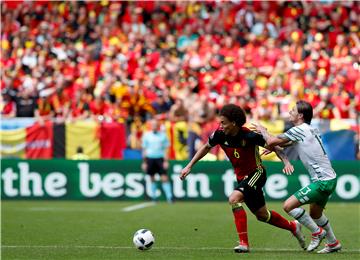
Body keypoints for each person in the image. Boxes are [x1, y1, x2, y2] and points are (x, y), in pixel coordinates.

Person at [180, 104, 305, 253]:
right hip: (241, 177)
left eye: (223, 122)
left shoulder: (249, 135)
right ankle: (293, 226)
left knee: (234, 198)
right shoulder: (219, 134)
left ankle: (243, 244)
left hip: (257, 173)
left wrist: (286, 161)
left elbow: (275, 146)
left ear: (233, 123)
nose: (221, 125)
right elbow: (206, 147)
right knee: (262, 215)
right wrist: (189, 166)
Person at [252, 100, 341, 253]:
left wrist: (263, 130)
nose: (289, 112)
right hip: (329, 178)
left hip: (322, 181)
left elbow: (272, 140)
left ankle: (317, 233)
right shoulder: (309, 129)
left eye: (292, 110)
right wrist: (275, 146)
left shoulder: (299, 129)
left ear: (300, 115)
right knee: (315, 214)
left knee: (288, 206)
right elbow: (292, 142)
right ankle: (333, 243)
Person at [142, 118, 173, 203]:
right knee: (152, 178)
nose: (154, 126)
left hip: (160, 158)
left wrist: (166, 161)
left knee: (164, 177)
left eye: (156, 125)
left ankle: (169, 197)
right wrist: (144, 162)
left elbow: (166, 149)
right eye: (153, 125)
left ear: (158, 126)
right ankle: (154, 197)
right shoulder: (147, 135)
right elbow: (144, 149)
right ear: (150, 126)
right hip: (150, 158)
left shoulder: (163, 135)